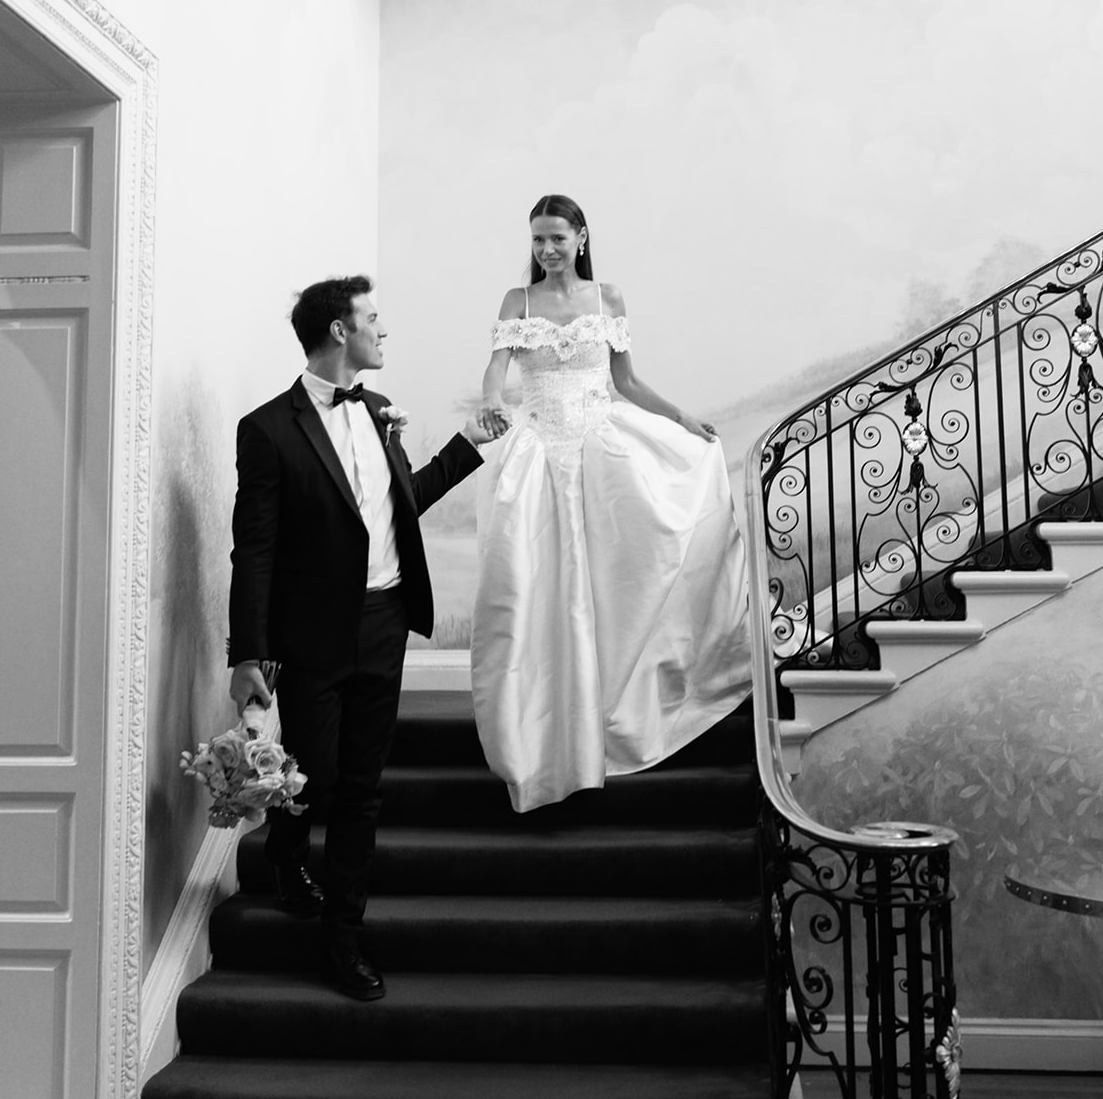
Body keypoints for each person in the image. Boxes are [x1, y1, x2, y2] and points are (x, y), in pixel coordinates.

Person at [227, 275, 502, 1001]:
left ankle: (341, 939)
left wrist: (465, 445)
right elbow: (253, 549)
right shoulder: (266, 430)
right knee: (314, 774)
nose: (386, 330)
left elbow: (402, 506)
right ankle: (289, 852)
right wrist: (246, 654)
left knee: (363, 789)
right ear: (340, 331)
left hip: (384, 624)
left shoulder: (381, 413)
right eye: (374, 318)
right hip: (311, 634)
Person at [471, 194, 751, 813]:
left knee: (616, 580)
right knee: (535, 586)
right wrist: (492, 399)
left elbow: (625, 381)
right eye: (537, 240)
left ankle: (614, 709)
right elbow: (497, 370)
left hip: (604, 449)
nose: (546, 251)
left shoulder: (608, 299)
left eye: (556, 239)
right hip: (541, 450)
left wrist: (680, 417)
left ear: (580, 236)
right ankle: (545, 722)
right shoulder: (516, 303)